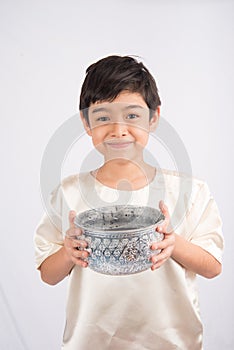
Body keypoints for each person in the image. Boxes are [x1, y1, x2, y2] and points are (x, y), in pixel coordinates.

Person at [34, 55, 224, 350]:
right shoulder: (69, 193)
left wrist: (174, 244)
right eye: (103, 117)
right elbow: (47, 274)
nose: (118, 130)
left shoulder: (190, 191)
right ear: (86, 122)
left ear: (154, 117)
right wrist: (69, 254)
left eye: (132, 116)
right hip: (92, 343)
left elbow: (213, 266)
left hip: (172, 343)